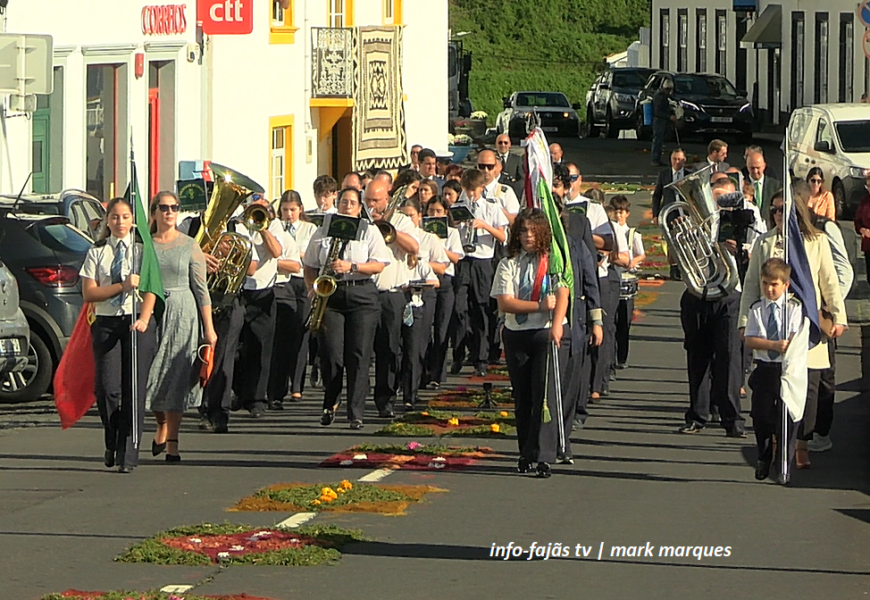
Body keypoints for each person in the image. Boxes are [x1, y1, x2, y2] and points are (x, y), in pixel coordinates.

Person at [739, 189, 846, 469]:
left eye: (783, 210)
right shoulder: (765, 242)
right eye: (773, 210)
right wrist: (743, 322)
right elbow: (752, 283)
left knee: (808, 389)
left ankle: (801, 443)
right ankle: (778, 440)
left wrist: (838, 316)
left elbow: (829, 281)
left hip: (807, 323)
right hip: (774, 325)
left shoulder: (816, 241)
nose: (777, 215)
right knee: (775, 388)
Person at [80, 197, 158, 473]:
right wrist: (121, 286)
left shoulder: (141, 251)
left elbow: (152, 287)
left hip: (136, 322)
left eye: (125, 217)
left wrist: (145, 318)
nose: (120, 222)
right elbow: (89, 293)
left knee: (133, 391)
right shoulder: (98, 251)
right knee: (107, 390)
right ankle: (112, 438)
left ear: (132, 220)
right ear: (107, 221)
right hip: (106, 322)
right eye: (115, 217)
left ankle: (129, 454)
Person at [491, 208, 570, 478]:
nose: (528, 236)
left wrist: (557, 324)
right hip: (517, 334)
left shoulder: (551, 261)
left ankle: (544, 455)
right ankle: (525, 451)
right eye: (523, 230)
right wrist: (537, 306)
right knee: (522, 397)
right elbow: (505, 302)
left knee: (543, 396)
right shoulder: (508, 263)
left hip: (544, 333)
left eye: (533, 231)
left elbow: (562, 293)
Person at [303, 188, 391, 429]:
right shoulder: (322, 230)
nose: (347, 206)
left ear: (359, 207)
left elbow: (379, 264)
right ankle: (331, 402)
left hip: (362, 294)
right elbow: (309, 265)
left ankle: (356, 412)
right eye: (343, 202)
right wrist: (312, 288)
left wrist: (352, 265)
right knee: (331, 354)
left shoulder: (368, 230)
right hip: (331, 296)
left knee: (358, 354)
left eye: (352, 203)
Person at [145, 192, 216, 464]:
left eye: (174, 207)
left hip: (184, 314)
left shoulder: (189, 245)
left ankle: (173, 441)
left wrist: (209, 329)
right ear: (154, 213)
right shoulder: (145, 247)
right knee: (153, 375)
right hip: (154, 314)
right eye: (163, 208)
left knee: (177, 377)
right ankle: (161, 423)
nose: (169, 212)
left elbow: (201, 289)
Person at [678, 178, 747, 438]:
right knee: (697, 357)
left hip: (729, 295)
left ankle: (732, 419)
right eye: (714, 199)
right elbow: (677, 259)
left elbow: (758, 247)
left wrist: (740, 247)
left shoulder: (744, 219)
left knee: (728, 358)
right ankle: (697, 415)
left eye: (723, 200)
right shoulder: (692, 223)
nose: (717, 206)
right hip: (698, 294)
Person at [744, 258, 803, 480]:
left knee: (786, 417)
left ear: (785, 285)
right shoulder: (757, 310)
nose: (769, 289)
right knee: (761, 416)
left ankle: (783, 462)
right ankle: (764, 455)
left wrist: (786, 345)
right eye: (765, 283)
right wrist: (773, 345)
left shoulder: (793, 309)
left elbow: (794, 339)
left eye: (774, 284)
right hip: (765, 368)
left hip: (786, 370)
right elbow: (750, 339)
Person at [366, 179, 420, 419]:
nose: (370, 205)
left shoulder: (400, 220)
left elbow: (414, 247)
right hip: (365, 292)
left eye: (375, 200)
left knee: (389, 348)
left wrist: (387, 227)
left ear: (386, 199)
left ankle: (385, 399)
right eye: (367, 200)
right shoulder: (360, 220)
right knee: (361, 349)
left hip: (391, 294)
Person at [451, 168, 508, 377]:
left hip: (483, 261)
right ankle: (460, 352)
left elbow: (503, 237)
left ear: (482, 188)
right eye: (467, 190)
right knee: (459, 308)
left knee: (481, 309)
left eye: (474, 190)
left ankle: (481, 358)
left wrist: (484, 225)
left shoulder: (491, 207)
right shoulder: (459, 205)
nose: (471, 194)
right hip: (463, 260)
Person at [273, 191, 317, 403]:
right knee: (283, 335)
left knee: (302, 332)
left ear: (300, 209)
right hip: (282, 282)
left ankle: (297, 384)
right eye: (284, 210)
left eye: (292, 210)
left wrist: (291, 254)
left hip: (302, 282)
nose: (288, 214)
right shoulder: (275, 227)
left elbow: (308, 255)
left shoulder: (310, 229)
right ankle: (279, 385)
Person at [400, 197, 443, 409]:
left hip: (417, 300)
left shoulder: (426, 240)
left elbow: (436, 277)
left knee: (414, 348)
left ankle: (410, 392)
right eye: (403, 216)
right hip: (394, 299)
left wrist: (417, 283)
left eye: (410, 216)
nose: (407, 220)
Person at [266, 193, 306, 409]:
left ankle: (277, 393)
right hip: (259, 288)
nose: (287, 215)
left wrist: (271, 263)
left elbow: (295, 266)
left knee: (282, 345)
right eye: (284, 210)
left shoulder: (285, 236)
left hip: (284, 288)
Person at [425, 197, 464, 387]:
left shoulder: (452, 233)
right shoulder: (422, 232)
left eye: (438, 211)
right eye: (431, 211)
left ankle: (437, 375)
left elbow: (456, 258)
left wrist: (438, 244)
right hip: (427, 279)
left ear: (445, 213)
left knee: (441, 329)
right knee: (425, 330)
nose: (434, 215)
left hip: (446, 281)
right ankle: (424, 371)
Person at [611, 195, 645, 369]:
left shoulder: (633, 234)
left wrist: (633, 262)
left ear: (627, 214)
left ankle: (622, 356)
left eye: (622, 212)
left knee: (624, 321)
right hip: (613, 277)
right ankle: (611, 355)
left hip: (627, 279)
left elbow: (641, 254)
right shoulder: (608, 231)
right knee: (612, 320)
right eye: (616, 212)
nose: (618, 215)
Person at [652, 148, 688, 281]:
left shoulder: (690, 174)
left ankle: (685, 268)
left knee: (687, 242)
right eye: (674, 159)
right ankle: (674, 269)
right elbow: (657, 196)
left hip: (685, 213)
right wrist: (655, 214)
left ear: (684, 160)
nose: (676, 162)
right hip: (669, 213)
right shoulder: (664, 174)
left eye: (679, 159)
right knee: (672, 242)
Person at [745, 150, 781, 221]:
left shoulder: (775, 185)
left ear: (764, 166)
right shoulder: (742, 185)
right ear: (747, 166)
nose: (755, 171)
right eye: (752, 168)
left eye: (758, 168)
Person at [651, 79, 675, 166]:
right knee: (657, 140)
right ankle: (655, 159)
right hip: (659, 120)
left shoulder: (662, 96)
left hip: (661, 120)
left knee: (660, 140)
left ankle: (657, 158)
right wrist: (669, 116)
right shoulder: (659, 97)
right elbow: (658, 111)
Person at [853, 176, 870, 284]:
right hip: (868, 244)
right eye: (868, 186)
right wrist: (862, 229)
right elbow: (857, 220)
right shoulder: (865, 201)